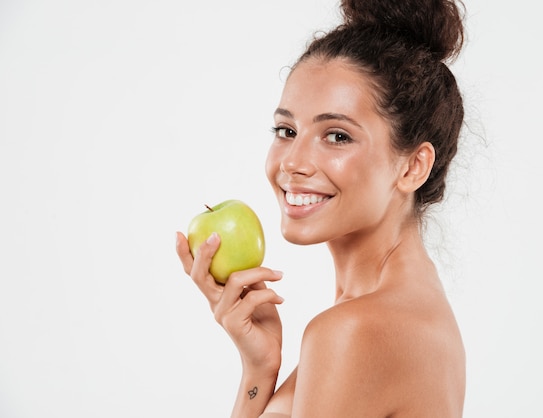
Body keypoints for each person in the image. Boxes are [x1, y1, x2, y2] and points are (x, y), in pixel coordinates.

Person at [176, 0, 467, 416]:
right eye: (286, 130)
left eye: (337, 136)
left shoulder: (353, 332)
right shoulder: (411, 306)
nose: (292, 162)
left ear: (412, 166)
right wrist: (260, 368)